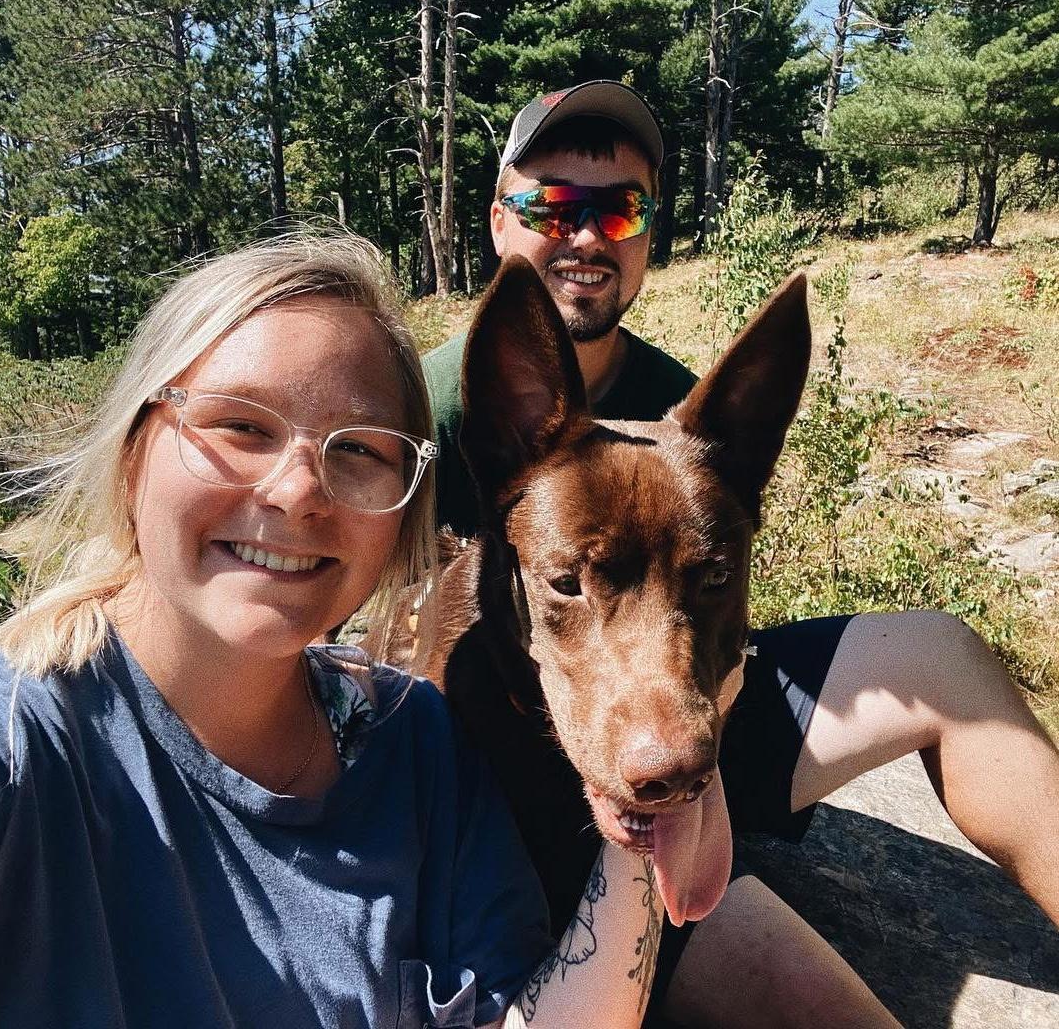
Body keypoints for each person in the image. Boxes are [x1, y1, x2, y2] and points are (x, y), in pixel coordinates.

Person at [422, 81, 1059, 1027]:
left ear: (645, 233)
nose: (587, 236)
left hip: (681, 726)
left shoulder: (685, 412)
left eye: (619, 208)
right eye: (552, 205)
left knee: (939, 652)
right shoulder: (428, 407)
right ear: (497, 221)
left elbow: (696, 616)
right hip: (512, 756)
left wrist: (705, 733)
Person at [0, 231, 674, 1028]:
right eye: (240, 427)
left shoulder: (416, 746)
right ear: (136, 448)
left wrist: (653, 782)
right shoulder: (15, 740)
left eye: (358, 450)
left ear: (405, 507)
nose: (298, 490)